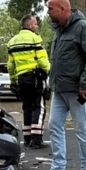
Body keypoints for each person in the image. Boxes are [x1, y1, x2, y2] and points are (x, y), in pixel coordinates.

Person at [34, 0, 86, 170]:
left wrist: (85, 84)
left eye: (51, 9)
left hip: (76, 90)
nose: (48, 12)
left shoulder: (82, 27)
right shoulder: (59, 30)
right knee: (54, 126)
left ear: (63, 9)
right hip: (60, 90)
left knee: (81, 129)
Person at [6, 13, 51, 149]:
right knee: (39, 106)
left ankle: (27, 138)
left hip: (21, 79)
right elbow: (43, 60)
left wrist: (13, 82)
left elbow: (11, 65)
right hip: (35, 78)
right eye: (36, 23)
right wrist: (48, 71)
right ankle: (37, 139)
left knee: (26, 107)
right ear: (30, 25)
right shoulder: (35, 39)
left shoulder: (12, 42)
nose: (37, 26)